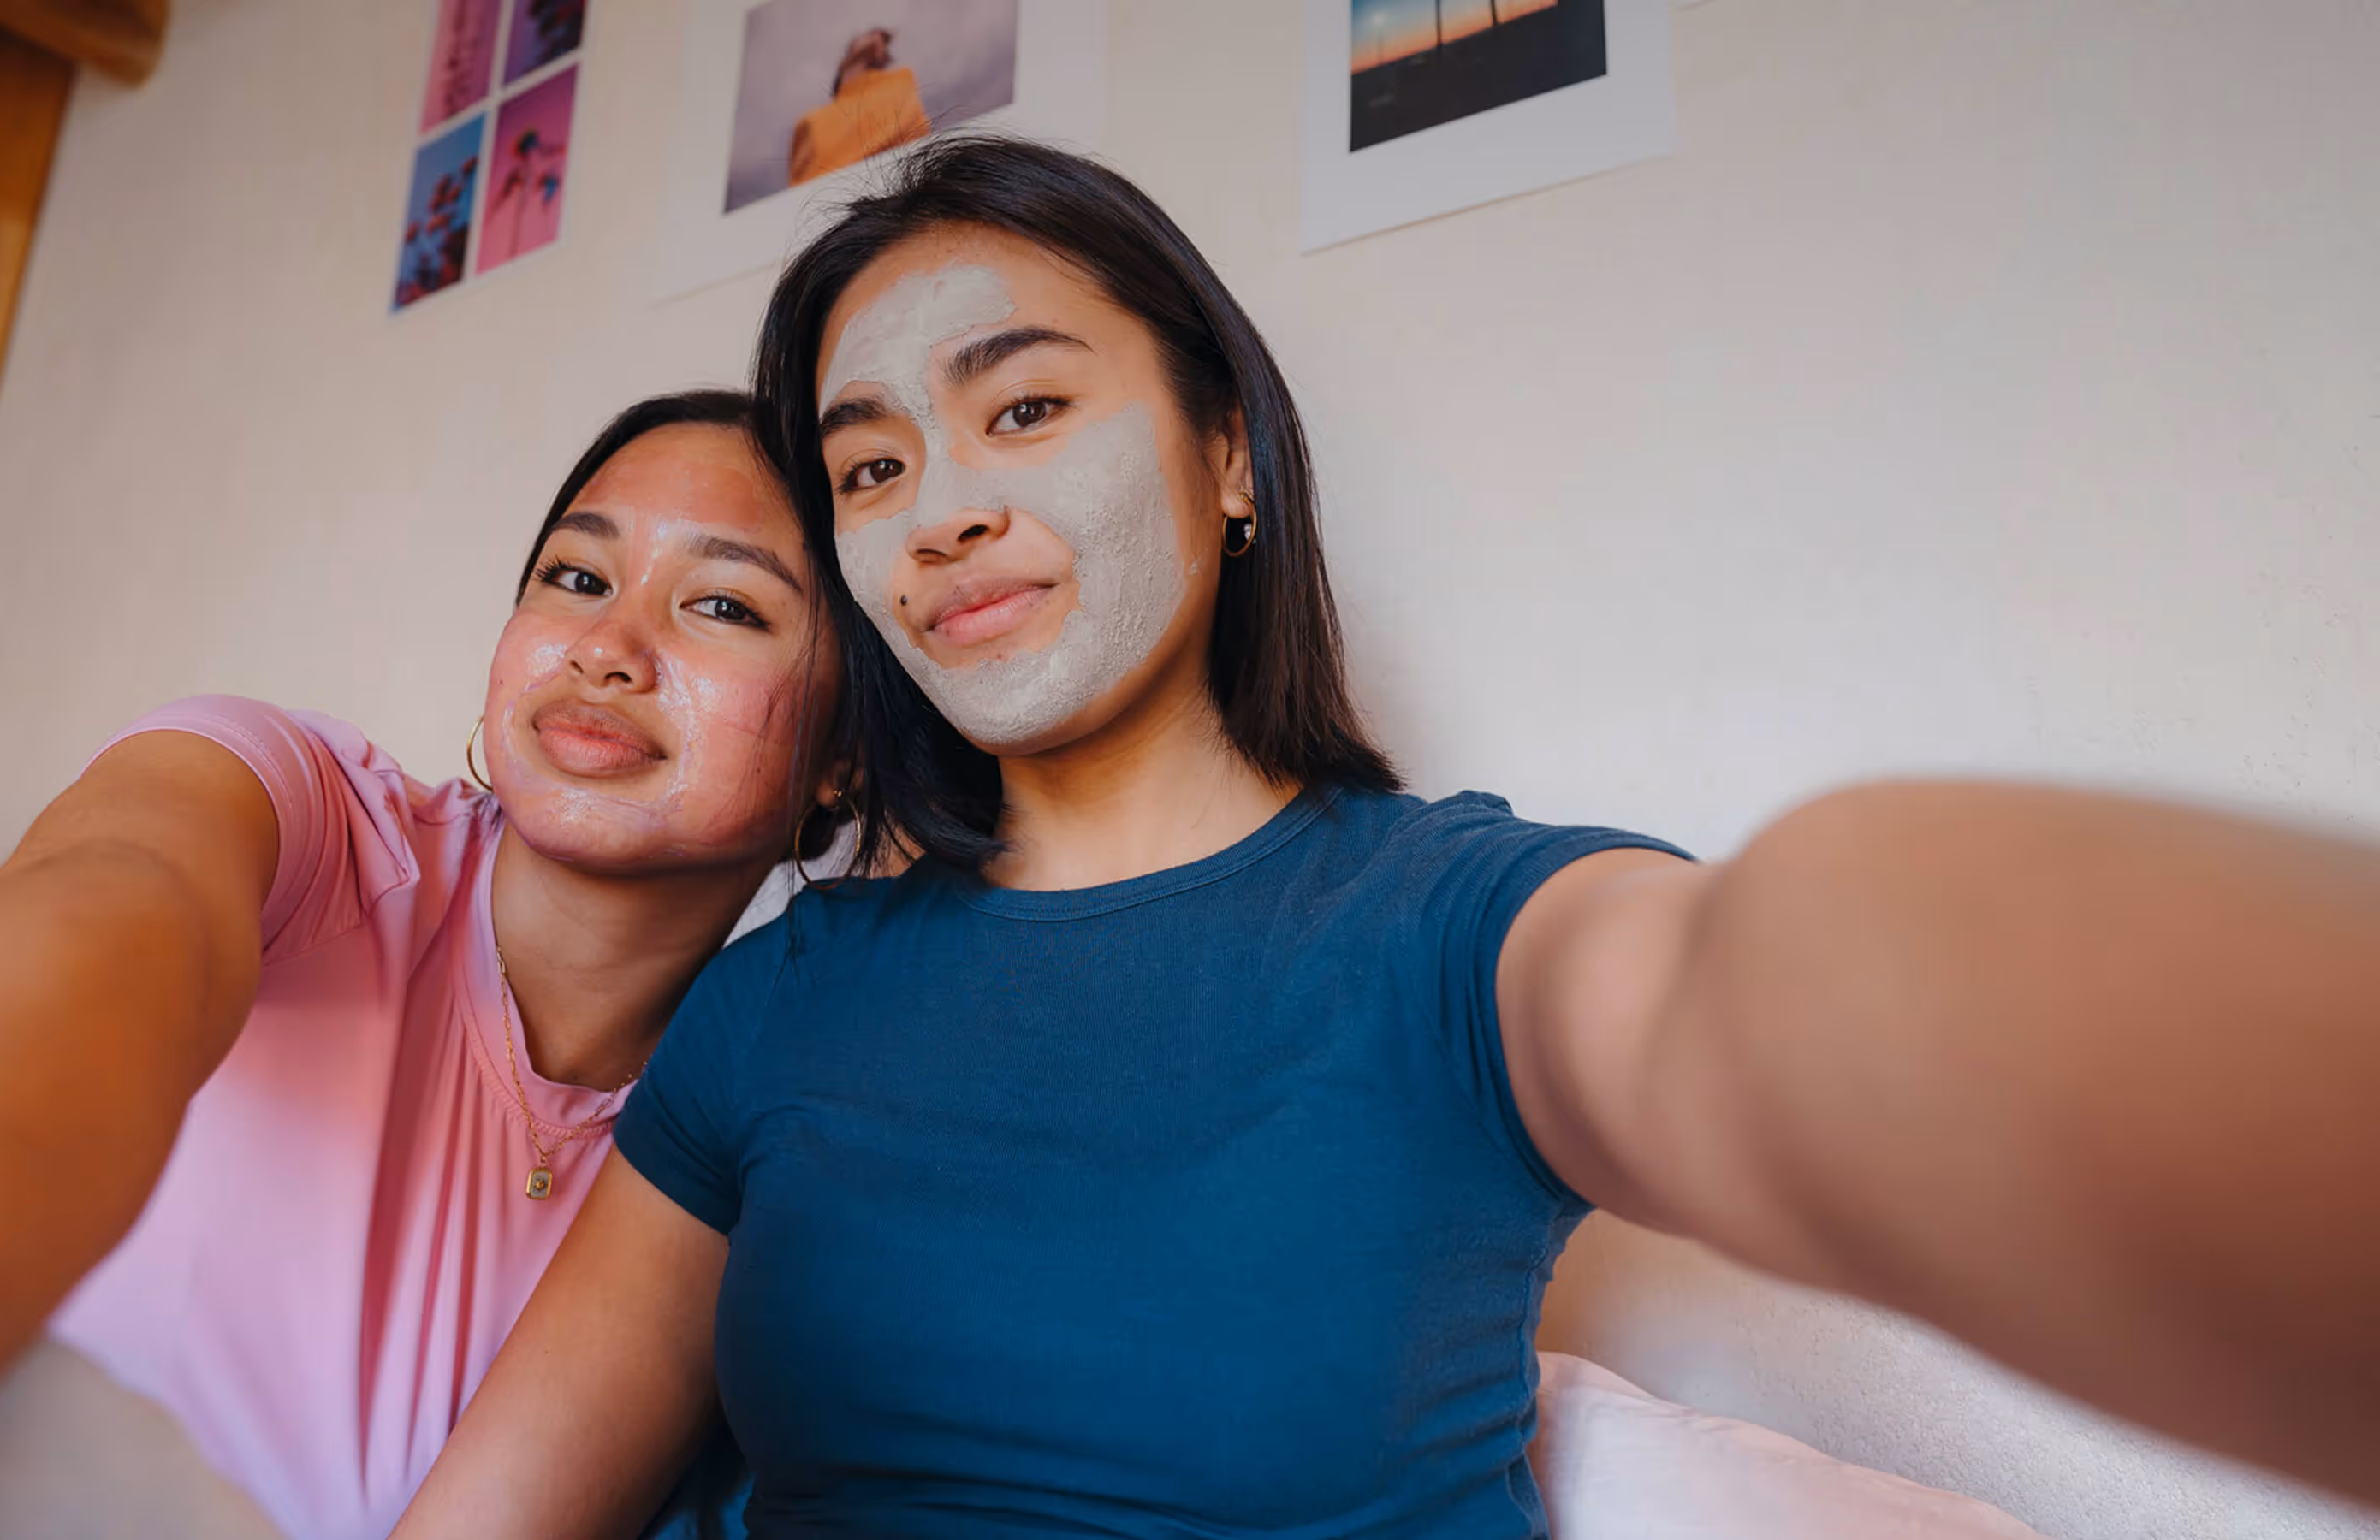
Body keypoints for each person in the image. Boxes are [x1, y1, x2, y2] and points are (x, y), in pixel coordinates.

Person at [398, 139, 2380, 1537]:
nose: (936, 511)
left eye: (1022, 410)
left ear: (1227, 453)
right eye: (870, 466)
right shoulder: (777, 1006)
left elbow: (1769, 996)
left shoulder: (1440, 927)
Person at [0, 390, 846, 1539]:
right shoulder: (293, 809)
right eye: (576, 578)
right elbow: (69, 947)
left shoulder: (755, 1126)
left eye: (722, 604)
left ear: (845, 758)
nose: (607, 649)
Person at [788, 27, 930, 190]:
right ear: (850, 49)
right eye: (870, 34)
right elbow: (801, 192)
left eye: (883, 40)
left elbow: (916, 146)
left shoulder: (900, 83)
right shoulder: (810, 121)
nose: (878, 37)